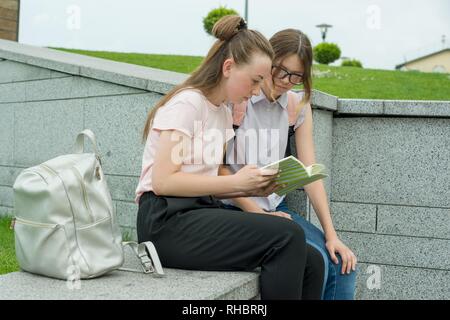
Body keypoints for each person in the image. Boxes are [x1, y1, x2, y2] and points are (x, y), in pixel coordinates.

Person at [135, 16, 324, 300]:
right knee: (287, 237)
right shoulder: (188, 104)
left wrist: (253, 186)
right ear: (228, 68)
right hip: (165, 223)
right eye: (255, 80)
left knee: (312, 260)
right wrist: (238, 182)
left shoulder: (222, 112)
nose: (258, 89)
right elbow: (162, 182)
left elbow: (210, 177)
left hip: (199, 213)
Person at [221, 28, 357, 300]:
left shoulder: (297, 106)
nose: (286, 81)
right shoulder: (238, 99)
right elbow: (218, 167)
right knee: (315, 260)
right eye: (281, 71)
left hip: (275, 207)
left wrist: (332, 234)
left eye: (296, 76)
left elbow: (311, 173)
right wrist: (259, 215)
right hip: (235, 206)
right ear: (267, 61)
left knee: (342, 264)